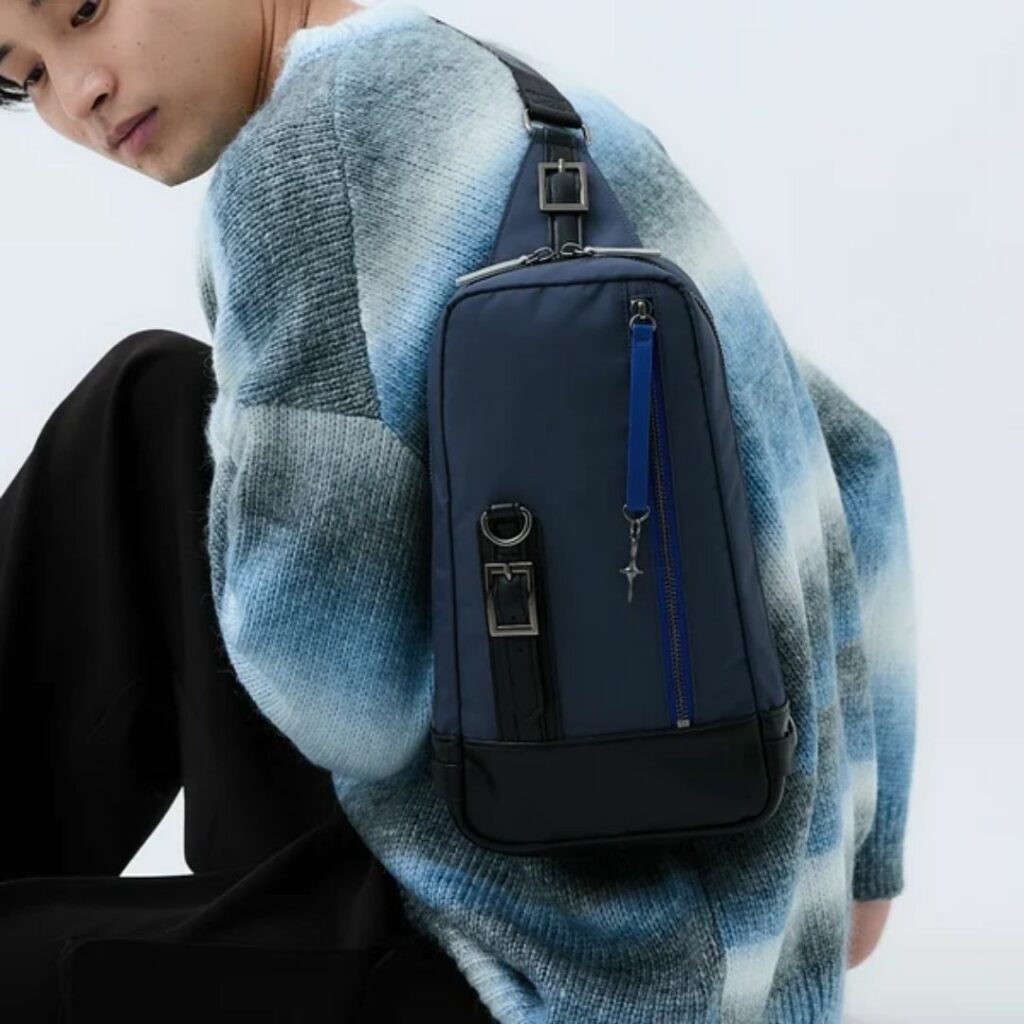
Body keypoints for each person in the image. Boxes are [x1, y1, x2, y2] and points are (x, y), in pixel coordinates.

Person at [0, 1, 917, 1021]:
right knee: (153, 404)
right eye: (24, 75)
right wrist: (857, 873)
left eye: (83, 10)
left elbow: (335, 693)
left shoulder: (312, 149)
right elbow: (854, 455)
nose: (78, 91)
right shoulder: (543, 111)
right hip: (717, 943)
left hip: (536, 980)